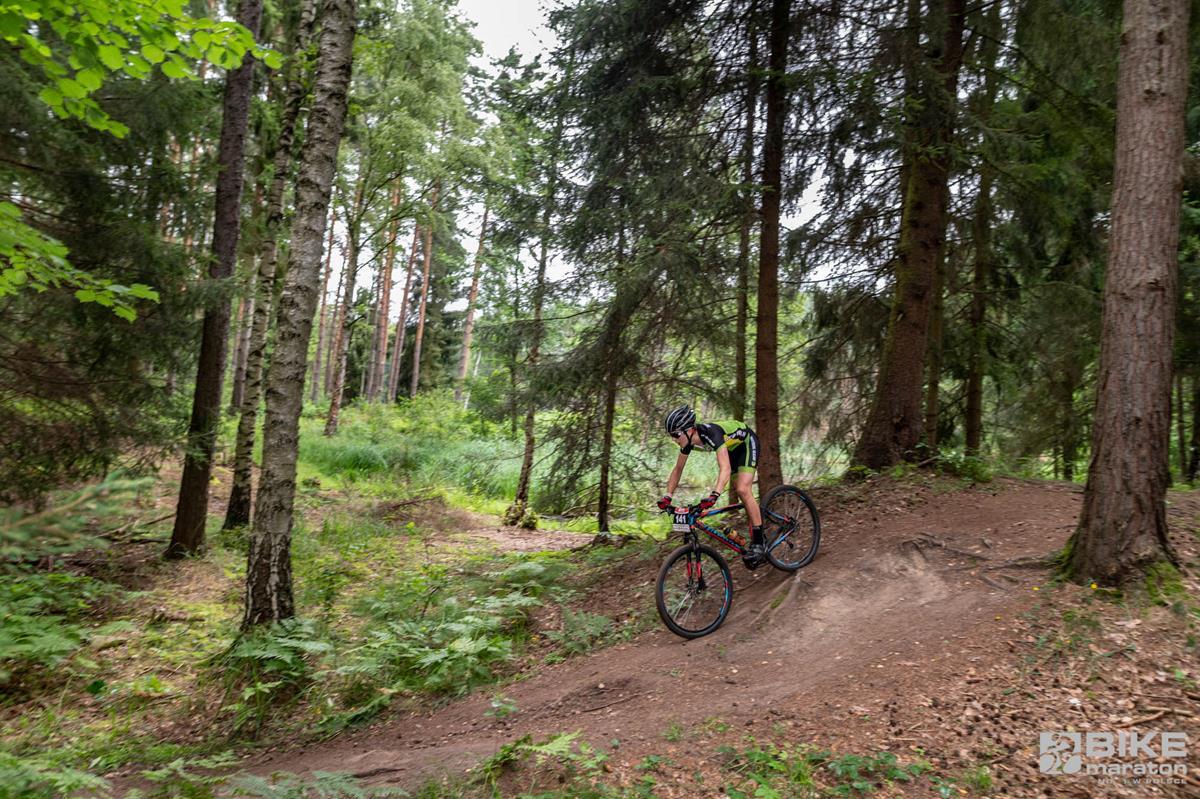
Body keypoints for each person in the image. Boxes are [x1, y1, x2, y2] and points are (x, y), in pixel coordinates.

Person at [656, 404, 766, 568]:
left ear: (689, 430)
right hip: (730, 449)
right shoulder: (687, 442)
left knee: (743, 489)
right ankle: (751, 527)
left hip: (746, 443)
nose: (674, 439)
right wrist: (668, 496)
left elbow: (725, 468)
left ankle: (759, 542)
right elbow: (678, 469)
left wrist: (715, 494)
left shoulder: (712, 434)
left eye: (676, 434)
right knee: (739, 490)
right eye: (671, 435)